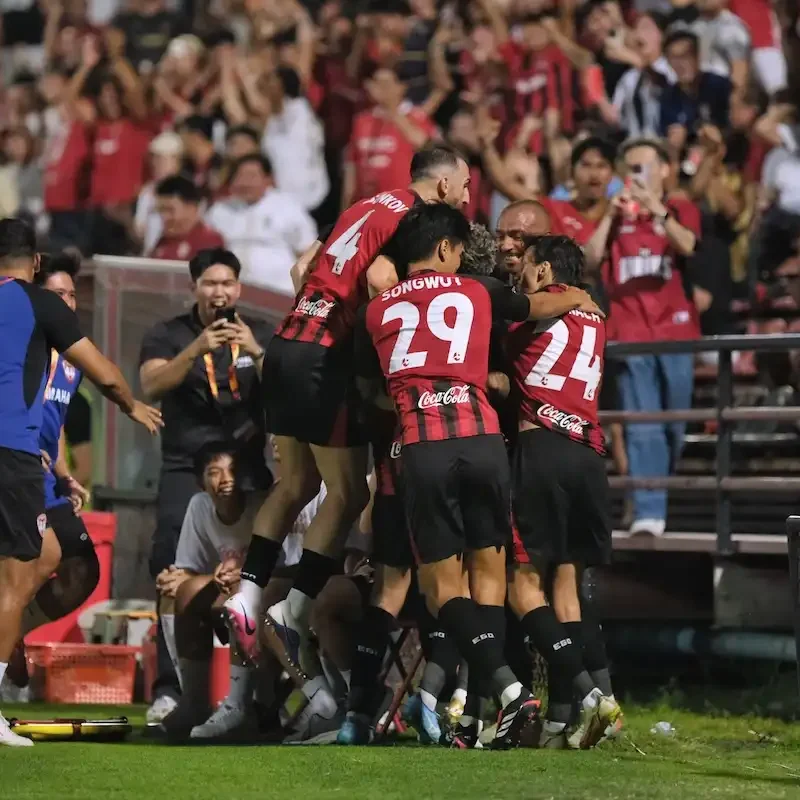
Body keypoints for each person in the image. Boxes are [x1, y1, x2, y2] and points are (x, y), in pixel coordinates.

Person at [360, 203, 600, 749]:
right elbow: (535, 304)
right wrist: (579, 296)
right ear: (446, 249)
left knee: (442, 590)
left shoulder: (377, 311)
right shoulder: (478, 290)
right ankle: (503, 708)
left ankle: (510, 693)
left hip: (423, 447)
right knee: (493, 580)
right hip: (484, 442)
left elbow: (374, 382)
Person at [224, 145, 472, 673]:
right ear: (445, 186)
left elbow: (300, 267)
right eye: (467, 187)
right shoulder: (414, 218)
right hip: (325, 355)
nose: (469, 197)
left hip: (289, 338)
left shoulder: (361, 205)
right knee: (348, 490)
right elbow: (382, 279)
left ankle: (246, 597)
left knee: (294, 484)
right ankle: (292, 611)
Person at [0, 218, 162, 747]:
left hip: (30, 464)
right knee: (16, 581)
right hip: (12, 457)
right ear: (36, 264)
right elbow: (104, 371)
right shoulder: (38, 305)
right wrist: (131, 403)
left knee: (46, 557)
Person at [138, 247, 274, 725]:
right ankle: (172, 689)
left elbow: (283, 387)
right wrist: (196, 349)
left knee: (261, 573)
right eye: (210, 284)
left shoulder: (255, 329)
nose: (220, 293)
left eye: (228, 284)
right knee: (171, 571)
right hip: (186, 468)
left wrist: (256, 351)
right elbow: (151, 386)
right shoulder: (169, 333)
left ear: (239, 287)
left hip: (249, 470)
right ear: (193, 287)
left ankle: (261, 698)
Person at [505, 235, 622, 749]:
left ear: (545, 270)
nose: (519, 276)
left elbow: (494, 362)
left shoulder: (534, 312)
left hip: (543, 450)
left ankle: (595, 699)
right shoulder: (595, 316)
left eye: (526, 266)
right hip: (588, 455)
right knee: (567, 586)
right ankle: (562, 720)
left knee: (520, 585)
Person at [584, 138, 701, 537]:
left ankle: (652, 494)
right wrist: (608, 218)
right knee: (644, 424)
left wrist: (656, 209)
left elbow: (688, 245)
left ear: (665, 169)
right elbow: (589, 260)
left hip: (676, 330)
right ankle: (650, 509)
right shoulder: (613, 214)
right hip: (631, 331)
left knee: (675, 427)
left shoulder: (680, 208)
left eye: (644, 166)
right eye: (630, 168)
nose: (636, 175)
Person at [205, 154, 318, 294]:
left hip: (278, 291)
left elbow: (307, 253)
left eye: (252, 176)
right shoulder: (219, 210)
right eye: (240, 176)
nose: (245, 182)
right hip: (231, 292)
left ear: (268, 179)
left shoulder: (288, 207)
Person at [150, 176, 224, 261]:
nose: (164, 216)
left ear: (192, 209)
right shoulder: (163, 242)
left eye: (170, 210)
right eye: (161, 210)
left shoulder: (210, 243)